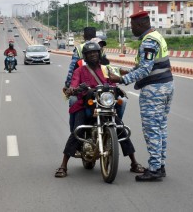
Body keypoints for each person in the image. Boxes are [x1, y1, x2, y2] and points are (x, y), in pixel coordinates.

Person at [55, 42, 144, 178]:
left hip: (105, 106)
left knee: (120, 128)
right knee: (77, 130)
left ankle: (134, 162)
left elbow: (113, 83)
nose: (93, 55)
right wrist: (74, 89)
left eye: (95, 52)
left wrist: (117, 88)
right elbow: (73, 84)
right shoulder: (79, 71)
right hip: (85, 105)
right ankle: (63, 165)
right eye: (89, 53)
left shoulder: (106, 69)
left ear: (99, 54)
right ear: (85, 56)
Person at [108, 11, 174, 182]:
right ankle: (159, 165)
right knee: (160, 128)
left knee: (152, 129)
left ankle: (154, 169)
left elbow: (145, 70)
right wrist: (127, 70)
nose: (132, 29)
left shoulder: (149, 41)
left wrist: (122, 79)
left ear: (142, 23)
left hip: (154, 89)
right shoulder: (156, 36)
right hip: (165, 86)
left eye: (133, 26)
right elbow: (148, 66)